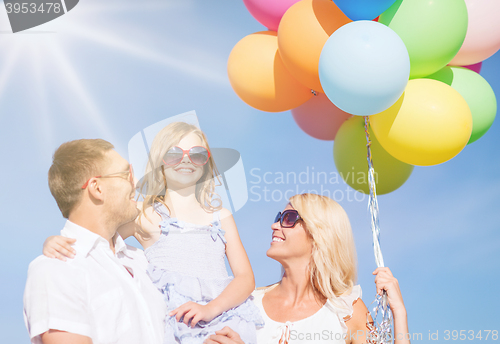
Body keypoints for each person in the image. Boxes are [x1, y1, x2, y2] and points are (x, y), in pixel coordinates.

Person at [43, 122, 263, 344]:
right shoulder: (143, 213)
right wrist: (56, 241)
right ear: (160, 162)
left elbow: (245, 277)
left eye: (197, 154)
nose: (186, 159)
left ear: (206, 163)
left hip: (223, 315)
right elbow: (97, 235)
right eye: (174, 154)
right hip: (175, 320)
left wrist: (210, 309)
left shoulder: (221, 216)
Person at [204, 193, 411, 344]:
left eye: (289, 219)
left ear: (319, 235)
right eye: (278, 218)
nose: (274, 226)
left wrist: (399, 312)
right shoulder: (247, 303)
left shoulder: (347, 310)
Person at [23, 139, 166, 344]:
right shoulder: (56, 270)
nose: (135, 183)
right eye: (127, 174)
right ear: (97, 188)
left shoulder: (143, 261)